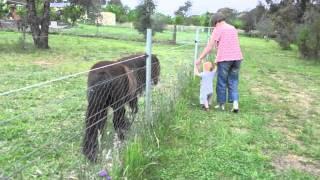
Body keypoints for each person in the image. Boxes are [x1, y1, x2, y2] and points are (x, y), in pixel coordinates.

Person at [196, 14, 243, 113]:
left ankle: (221, 104)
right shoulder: (232, 28)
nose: (214, 26)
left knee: (222, 81)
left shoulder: (218, 29)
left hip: (225, 59)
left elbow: (209, 47)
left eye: (213, 24)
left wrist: (200, 58)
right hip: (237, 58)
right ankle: (235, 104)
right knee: (233, 81)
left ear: (216, 22)